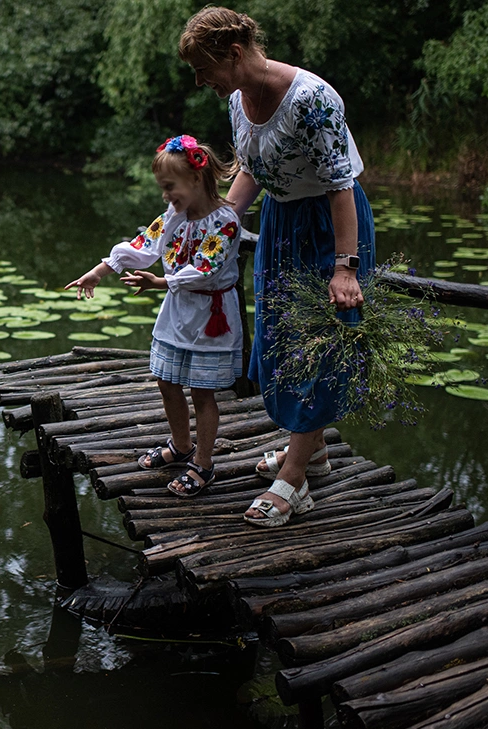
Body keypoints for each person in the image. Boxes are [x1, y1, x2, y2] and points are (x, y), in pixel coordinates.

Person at [178, 7, 376, 526]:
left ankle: (294, 480)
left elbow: (339, 187)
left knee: (319, 347)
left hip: (327, 228)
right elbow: (254, 169)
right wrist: (219, 222)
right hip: (280, 227)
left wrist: (346, 268)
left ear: (235, 54)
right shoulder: (239, 102)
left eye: (205, 69)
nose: (201, 82)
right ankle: (314, 452)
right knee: (279, 342)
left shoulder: (311, 100)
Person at [65, 135, 242, 497]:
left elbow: (205, 270)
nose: (165, 196)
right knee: (166, 380)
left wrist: (162, 281)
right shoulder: (174, 216)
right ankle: (180, 445)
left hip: (210, 317)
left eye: (169, 187)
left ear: (195, 179)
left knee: (204, 394)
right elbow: (144, 244)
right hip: (177, 313)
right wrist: (101, 270)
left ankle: (204, 465)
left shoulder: (225, 222)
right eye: (162, 189)